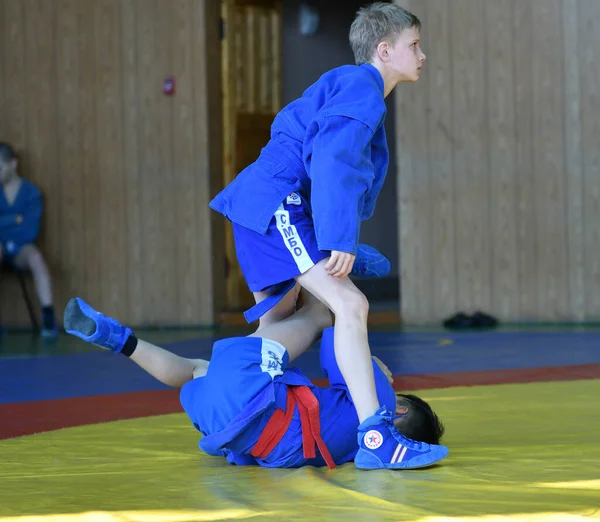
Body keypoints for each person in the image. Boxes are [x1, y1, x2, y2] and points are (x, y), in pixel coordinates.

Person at [208, 3, 427, 466]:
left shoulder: (353, 87)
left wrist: (338, 239)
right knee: (351, 305)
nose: (422, 55)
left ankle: (243, 434)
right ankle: (377, 440)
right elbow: (332, 162)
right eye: (414, 46)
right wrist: (338, 239)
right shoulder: (363, 89)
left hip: (260, 204)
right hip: (275, 202)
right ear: (384, 51)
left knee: (280, 317)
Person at [63, 290, 448, 470]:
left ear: (398, 409)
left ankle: (300, 265)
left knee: (320, 317)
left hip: (250, 393)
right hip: (224, 426)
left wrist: (370, 364)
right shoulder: (352, 451)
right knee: (196, 369)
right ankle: (118, 340)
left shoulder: (378, 408)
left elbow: (336, 338)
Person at [0, 142, 58, 337]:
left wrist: (4, 224)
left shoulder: (31, 193)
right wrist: (13, 219)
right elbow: (20, 224)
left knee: (36, 258)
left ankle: (49, 319)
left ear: (13, 164)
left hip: (21, 250)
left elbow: (30, 231)